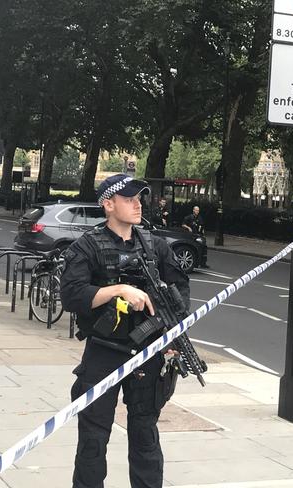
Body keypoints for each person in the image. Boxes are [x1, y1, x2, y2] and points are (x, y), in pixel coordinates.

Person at [61, 174, 190, 488]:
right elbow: (72, 295)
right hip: (104, 351)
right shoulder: (87, 246)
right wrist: (118, 290)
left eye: (139, 198)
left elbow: (180, 291)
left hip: (147, 352)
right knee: (93, 440)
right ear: (108, 204)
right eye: (129, 198)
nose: (137, 204)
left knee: (145, 436)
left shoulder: (155, 245)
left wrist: (171, 334)